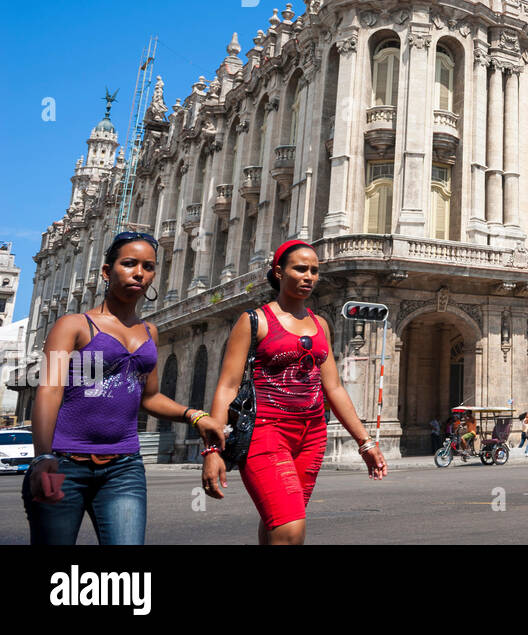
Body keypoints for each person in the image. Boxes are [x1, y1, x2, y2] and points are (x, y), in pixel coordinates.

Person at [23, 231, 225, 544]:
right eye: (129, 264)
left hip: (123, 468)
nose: (139, 273)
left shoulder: (149, 333)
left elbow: (151, 396)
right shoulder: (73, 325)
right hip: (64, 461)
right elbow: (49, 390)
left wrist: (196, 416)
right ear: (107, 271)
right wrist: (43, 458)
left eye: (148, 266)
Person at [202, 240, 387, 544]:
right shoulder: (255, 321)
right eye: (300, 269)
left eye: (314, 271)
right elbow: (227, 386)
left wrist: (365, 443)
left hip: (312, 437)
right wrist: (212, 450)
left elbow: (334, 388)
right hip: (266, 433)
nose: (309, 276)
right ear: (279, 272)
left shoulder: (320, 325)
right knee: (290, 530)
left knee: (277, 523)